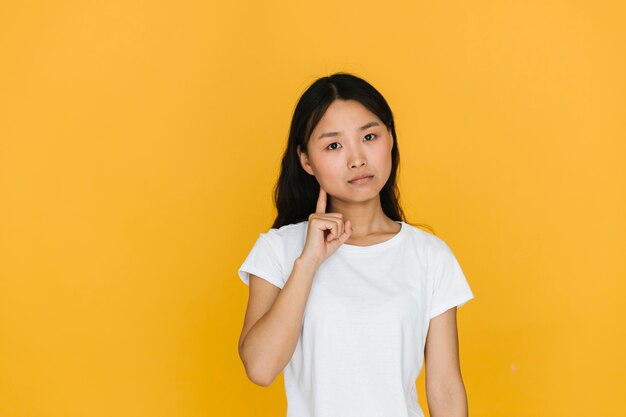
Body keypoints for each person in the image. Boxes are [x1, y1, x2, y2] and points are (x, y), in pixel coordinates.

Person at [236, 72, 475, 417]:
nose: (357, 159)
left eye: (369, 136)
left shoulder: (429, 256)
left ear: (390, 139)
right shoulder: (280, 250)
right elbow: (260, 368)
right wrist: (308, 263)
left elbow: (446, 391)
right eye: (334, 145)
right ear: (306, 161)